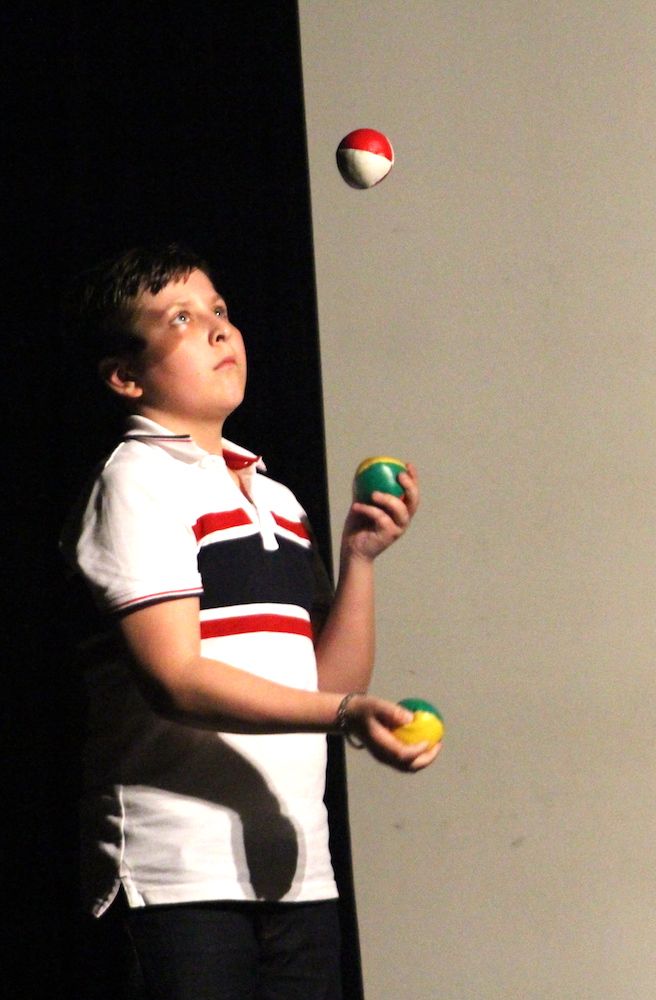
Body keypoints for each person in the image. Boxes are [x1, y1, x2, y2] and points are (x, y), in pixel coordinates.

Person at [62, 244, 440, 1000]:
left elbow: (323, 687)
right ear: (125, 376)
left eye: (220, 310)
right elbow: (177, 679)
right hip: (178, 879)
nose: (217, 328)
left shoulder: (278, 499)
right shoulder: (136, 481)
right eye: (180, 318)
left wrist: (359, 559)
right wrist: (347, 714)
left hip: (296, 875)